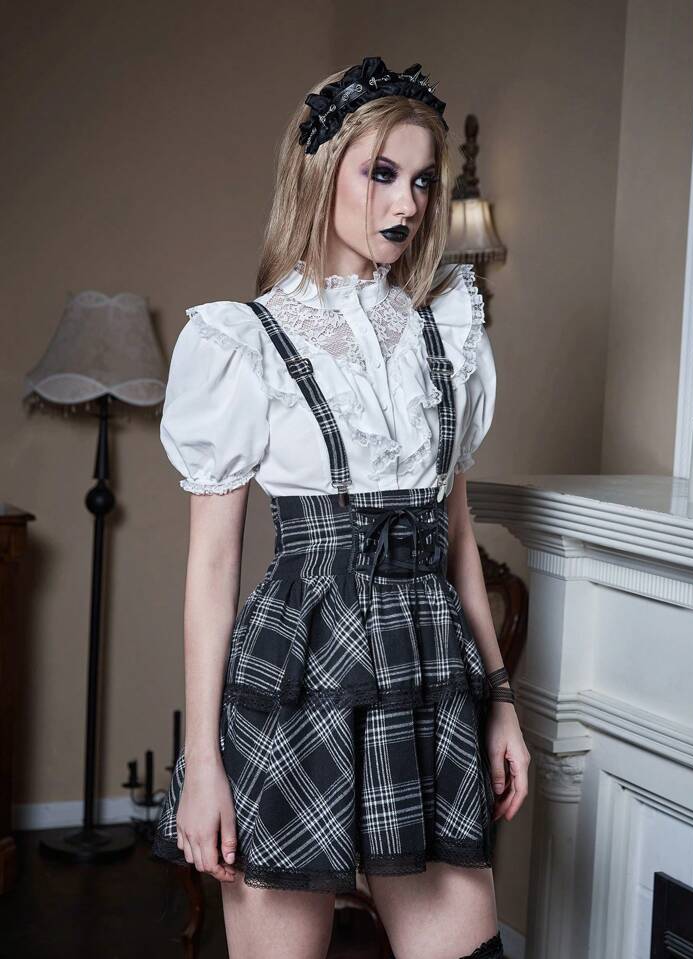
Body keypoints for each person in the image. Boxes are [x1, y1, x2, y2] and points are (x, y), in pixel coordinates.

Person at [151, 56, 530, 959]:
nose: (407, 203)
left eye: (423, 181)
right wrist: (204, 763)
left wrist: (502, 701)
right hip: (297, 675)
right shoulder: (244, 341)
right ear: (320, 172)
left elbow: (457, 541)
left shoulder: (447, 332)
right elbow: (212, 569)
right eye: (382, 173)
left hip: (429, 677)